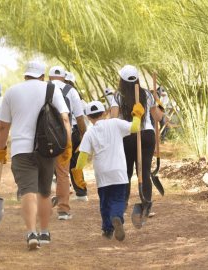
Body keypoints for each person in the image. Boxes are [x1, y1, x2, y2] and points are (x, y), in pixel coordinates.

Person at [0, 61, 71, 250]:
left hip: (21, 149)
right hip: (47, 149)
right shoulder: (51, 89)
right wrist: (66, 146)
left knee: (28, 191)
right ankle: (44, 232)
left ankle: (31, 233)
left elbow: (3, 126)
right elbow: (64, 118)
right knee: (44, 192)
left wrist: (1, 148)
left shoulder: (12, 91)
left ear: (25, 75)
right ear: (42, 76)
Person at [72, 101, 144, 241]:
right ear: (105, 112)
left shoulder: (90, 132)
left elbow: (82, 156)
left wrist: (78, 174)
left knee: (105, 203)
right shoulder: (115, 123)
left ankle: (107, 230)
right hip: (119, 172)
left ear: (88, 117)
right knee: (118, 200)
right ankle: (117, 217)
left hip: (102, 174)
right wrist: (137, 115)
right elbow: (135, 128)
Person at [111, 65, 163, 215]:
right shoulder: (147, 94)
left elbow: (113, 119)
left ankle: (123, 204)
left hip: (127, 135)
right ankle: (146, 205)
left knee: (125, 172)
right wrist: (158, 101)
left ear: (122, 80)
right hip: (147, 135)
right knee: (145, 171)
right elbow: (159, 117)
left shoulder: (118, 96)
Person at [49, 66, 87, 221]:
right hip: (66, 135)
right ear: (64, 78)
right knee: (64, 172)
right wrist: (85, 135)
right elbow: (79, 117)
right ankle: (63, 210)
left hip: (44, 137)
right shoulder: (71, 91)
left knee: (45, 172)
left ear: (49, 77)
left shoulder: (44, 88)